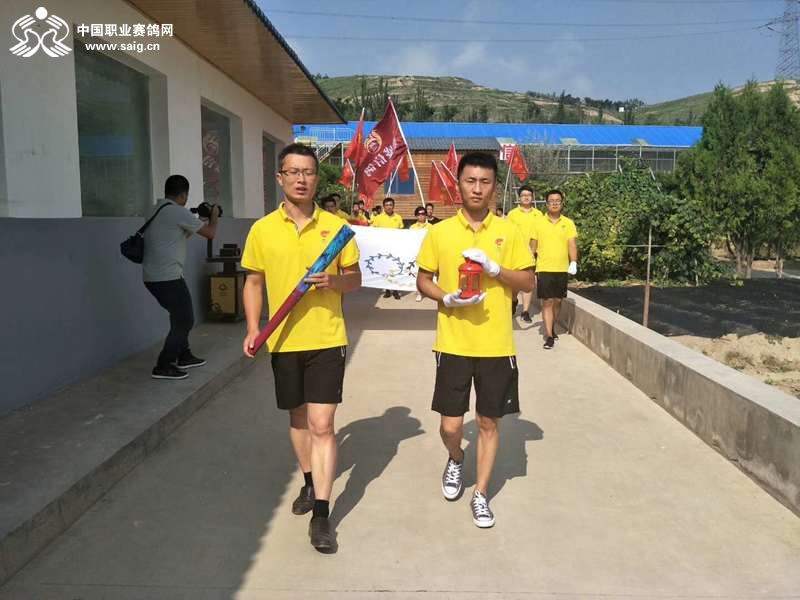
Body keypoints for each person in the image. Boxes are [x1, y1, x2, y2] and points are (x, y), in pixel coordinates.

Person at [241, 143, 361, 551]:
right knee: (297, 418)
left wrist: (334, 281)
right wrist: (253, 328)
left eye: (308, 172)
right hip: (283, 340)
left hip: (327, 337)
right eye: (293, 172)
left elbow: (355, 279)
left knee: (322, 425)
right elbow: (253, 282)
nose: (301, 179)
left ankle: (322, 515)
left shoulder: (337, 228)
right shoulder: (262, 230)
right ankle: (309, 481)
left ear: (316, 178)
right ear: (280, 178)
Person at [416, 152, 534, 528]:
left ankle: (480, 494)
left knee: (488, 423)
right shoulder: (440, 233)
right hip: (452, 342)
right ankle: (456, 458)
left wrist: (496, 269)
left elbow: (528, 281)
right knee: (451, 426)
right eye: (470, 181)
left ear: (494, 187)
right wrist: (445, 298)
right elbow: (423, 279)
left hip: (496, 345)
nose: (477, 188)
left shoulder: (509, 231)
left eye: (485, 182)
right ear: (459, 184)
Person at [143, 175, 219, 380]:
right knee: (185, 319)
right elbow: (210, 233)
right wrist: (214, 216)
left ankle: (184, 355)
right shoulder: (177, 211)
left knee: (178, 316)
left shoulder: (155, 210)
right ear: (184, 194)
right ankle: (163, 365)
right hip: (168, 277)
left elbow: (178, 234)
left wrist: (197, 222)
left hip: (153, 277)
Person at [530, 189, 578, 350]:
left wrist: (573, 262)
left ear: (562, 203)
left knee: (558, 301)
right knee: (547, 301)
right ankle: (549, 335)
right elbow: (533, 247)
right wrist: (529, 266)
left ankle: (552, 326)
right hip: (544, 268)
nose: (555, 203)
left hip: (562, 268)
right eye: (551, 201)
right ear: (546, 203)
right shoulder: (538, 223)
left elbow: (572, 244)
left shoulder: (568, 223)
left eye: (558, 201)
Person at [507, 185, 543, 323]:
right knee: (515, 283)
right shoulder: (512, 214)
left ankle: (525, 311)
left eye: (529, 195)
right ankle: (514, 300)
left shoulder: (539, 214)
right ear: (519, 197)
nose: (526, 197)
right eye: (523, 195)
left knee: (529, 282)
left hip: (532, 253)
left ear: (532, 197)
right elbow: (507, 233)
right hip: (515, 253)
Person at [372, 197, 405, 299]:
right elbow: (374, 232)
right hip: (383, 248)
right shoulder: (378, 218)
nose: (389, 207)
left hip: (395, 247)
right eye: (386, 205)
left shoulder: (398, 217)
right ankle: (387, 290)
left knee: (395, 268)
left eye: (390, 205)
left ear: (393, 206)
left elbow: (402, 232)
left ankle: (395, 290)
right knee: (385, 269)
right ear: (384, 207)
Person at [409, 206, 431, 302]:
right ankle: (419, 293)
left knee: (427, 274)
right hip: (416, 253)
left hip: (428, 253)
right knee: (417, 274)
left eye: (423, 214)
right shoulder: (412, 228)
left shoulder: (431, 227)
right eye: (419, 214)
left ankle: (428, 291)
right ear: (416, 215)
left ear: (426, 215)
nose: (421, 216)